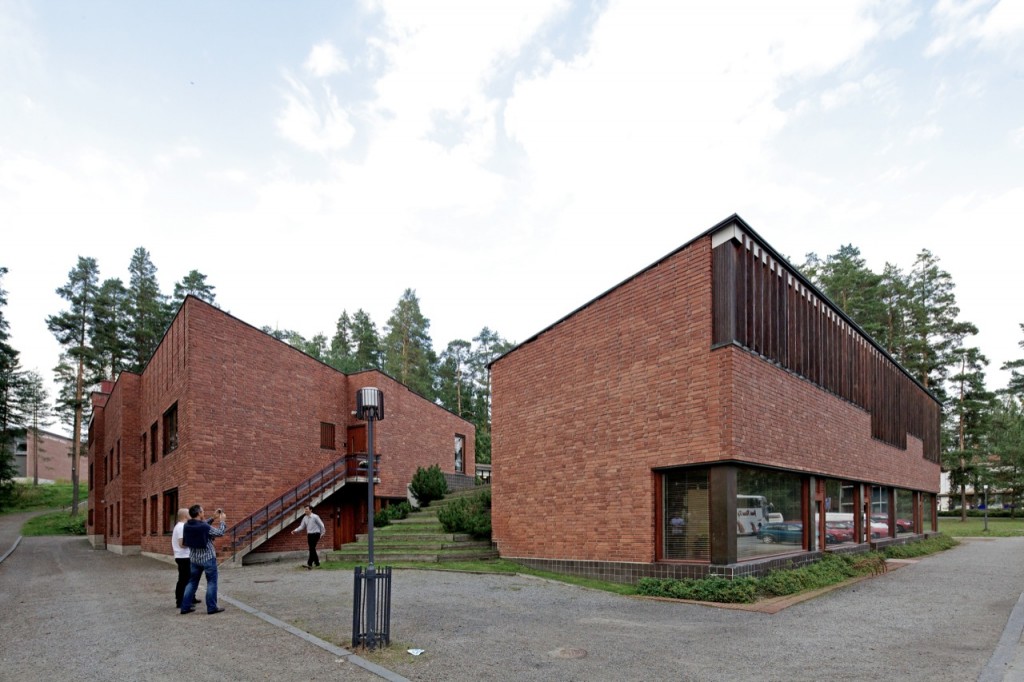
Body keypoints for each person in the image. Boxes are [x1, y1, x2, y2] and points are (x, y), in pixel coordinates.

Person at [181, 504, 227, 615]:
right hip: (208, 558)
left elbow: (202, 525)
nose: (203, 513)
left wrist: (213, 518)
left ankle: (185, 607)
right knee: (211, 582)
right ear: (198, 513)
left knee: (192, 583)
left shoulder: (187, 525)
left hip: (194, 559)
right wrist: (222, 521)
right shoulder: (204, 527)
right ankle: (211, 607)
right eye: (202, 511)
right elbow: (219, 533)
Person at [171, 508, 200, 609]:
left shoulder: (182, 526)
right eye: (189, 514)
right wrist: (194, 543)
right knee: (184, 579)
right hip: (183, 557)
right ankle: (180, 601)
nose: (190, 515)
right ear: (184, 516)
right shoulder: (181, 527)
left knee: (189, 578)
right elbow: (182, 544)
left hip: (185, 556)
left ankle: (191, 597)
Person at [292, 504, 326, 569]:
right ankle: (317, 562)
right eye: (305, 509)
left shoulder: (315, 517)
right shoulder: (305, 518)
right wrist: (295, 530)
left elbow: (322, 525)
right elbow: (302, 526)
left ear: (311, 510)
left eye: (307, 509)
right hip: (309, 535)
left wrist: (322, 533)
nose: (305, 510)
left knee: (312, 548)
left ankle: (309, 563)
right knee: (312, 548)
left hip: (316, 534)